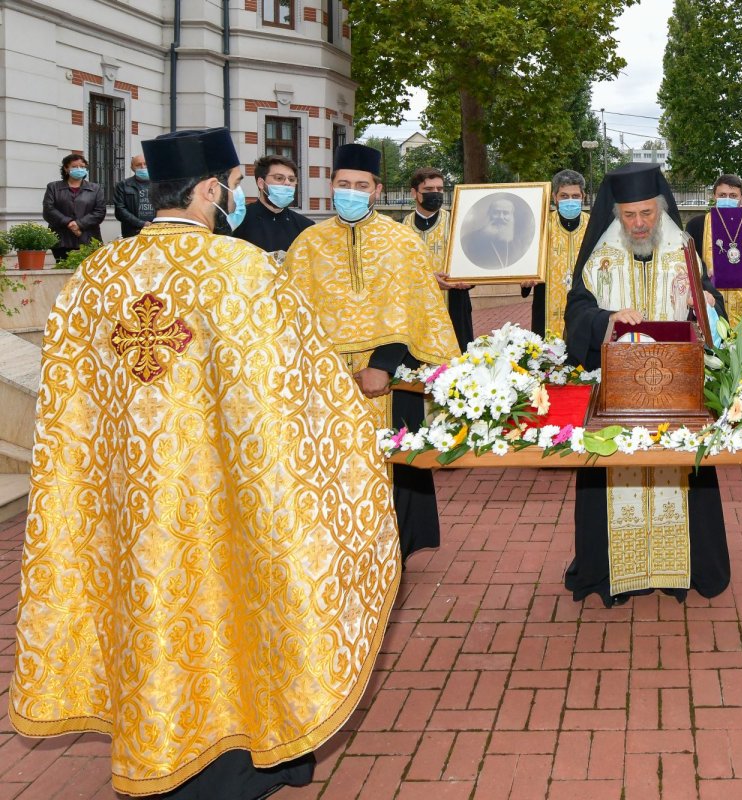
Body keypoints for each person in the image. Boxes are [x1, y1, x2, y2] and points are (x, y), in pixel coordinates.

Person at [8, 127, 402, 799]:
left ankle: (156, 743)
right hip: (225, 502)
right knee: (239, 608)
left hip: (130, 506)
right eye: (235, 184)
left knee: (153, 614)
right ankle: (244, 754)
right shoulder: (242, 270)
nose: (239, 194)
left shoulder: (95, 277)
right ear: (211, 189)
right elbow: (300, 392)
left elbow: (68, 406)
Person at [563, 162, 730, 607]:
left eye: (647, 214)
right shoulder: (599, 257)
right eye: (629, 215)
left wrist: (709, 304)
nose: (638, 224)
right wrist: (607, 319)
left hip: (677, 393)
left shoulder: (684, 251)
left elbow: (715, 319)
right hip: (617, 393)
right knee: (613, 476)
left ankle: (685, 568)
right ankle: (614, 572)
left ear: (660, 210)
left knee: (682, 475)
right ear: (616, 214)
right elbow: (575, 318)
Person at [285, 143, 461, 559]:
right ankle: (340, 551)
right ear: (331, 186)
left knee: (393, 463)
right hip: (327, 381)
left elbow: (412, 309)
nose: (350, 191)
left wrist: (381, 365)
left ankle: (394, 552)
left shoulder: (400, 242)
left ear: (377, 190)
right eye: (343, 184)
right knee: (331, 467)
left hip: (389, 374)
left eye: (360, 185)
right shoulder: (307, 244)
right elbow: (291, 316)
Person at [684, 173, 742, 325]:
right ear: (714, 196)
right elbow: (685, 262)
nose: (727, 199)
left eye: (733, 195)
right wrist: (702, 275)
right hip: (708, 303)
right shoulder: (696, 226)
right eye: (722, 194)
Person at [403, 166, 475, 350]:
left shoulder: (458, 222)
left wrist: (469, 279)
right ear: (414, 193)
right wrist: (427, 278)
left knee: (458, 356)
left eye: (439, 189)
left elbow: (472, 259)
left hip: (455, 301)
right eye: (428, 190)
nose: (435, 194)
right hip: (415, 304)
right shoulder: (402, 227)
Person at [521, 169, 590, 338]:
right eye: (564, 196)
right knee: (545, 357)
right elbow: (527, 260)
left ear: (583, 196)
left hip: (586, 305)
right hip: (545, 304)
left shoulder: (593, 226)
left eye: (575, 196)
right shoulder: (540, 225)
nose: (570, 200)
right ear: (554, 197)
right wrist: (525, 279)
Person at [232, 154, 315, 254]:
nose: (287, 183)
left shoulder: (305, 226)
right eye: (279, 178)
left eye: (292, 179)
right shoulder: (238, 221)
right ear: (261, 183)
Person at [42, 153, 105, 261]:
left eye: (82, 167)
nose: (79, 169)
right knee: (63, 270)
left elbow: (99, 212)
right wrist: (69, 222)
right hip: (62, 239)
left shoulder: (95, 188)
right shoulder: (53, 187)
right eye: (74, 167)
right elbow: (48, 209)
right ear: (66, 169)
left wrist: (79, 224)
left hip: (88, 237)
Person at [112, 153, 155, 237]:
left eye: (146, 164)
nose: (143, 167)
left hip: (156, 230)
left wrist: (156, 224)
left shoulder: (159, 184)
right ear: (132, 168)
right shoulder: (123, 185)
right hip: (132, 232)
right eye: (138, 165)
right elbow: (120, 210)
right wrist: (142, 223)